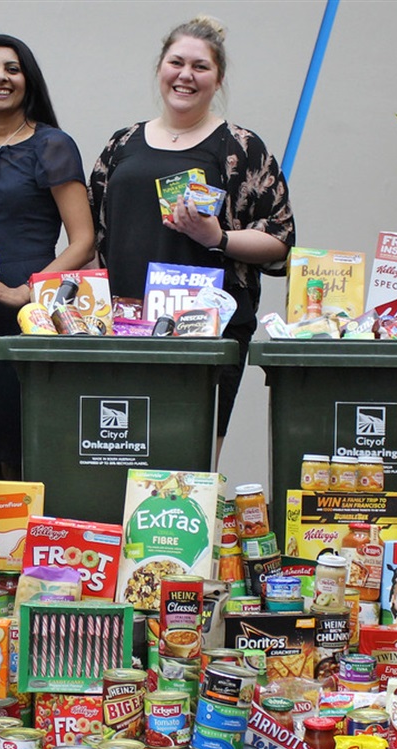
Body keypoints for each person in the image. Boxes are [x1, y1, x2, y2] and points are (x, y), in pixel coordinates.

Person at [89, 16, 295, 454]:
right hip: (126, 329)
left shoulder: (241, 148)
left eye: (200, 67)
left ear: (218, 79)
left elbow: (280, 240)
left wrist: (216, 237)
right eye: (176, 62)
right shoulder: (121, 144)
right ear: (160, 67)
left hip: (207, 334)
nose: (185, 75)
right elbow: (92, 236)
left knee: (192, 461)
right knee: (118, 451)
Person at [0, 34, 94, 480]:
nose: (0, 78)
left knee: (21, 450)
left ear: (28, 81)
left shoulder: (52, 145)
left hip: (31, 320)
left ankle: (26, 543)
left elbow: (83, 242)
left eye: (12, 68)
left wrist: (24, 292)